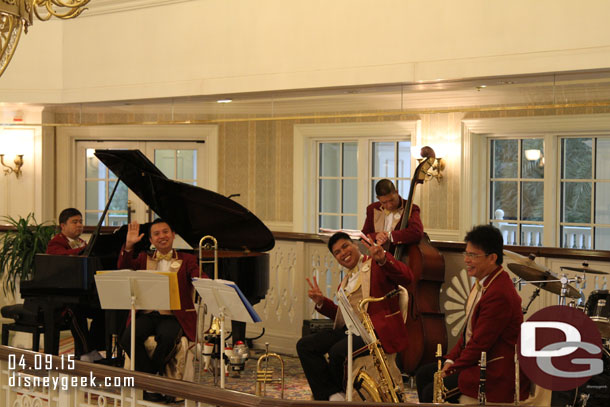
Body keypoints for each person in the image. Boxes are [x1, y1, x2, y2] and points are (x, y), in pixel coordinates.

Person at [416, 225, 530, 403]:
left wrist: (452, 369)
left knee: (432, 390)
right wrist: (450, 360)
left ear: (492, 258)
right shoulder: (484, 283)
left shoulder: (499, 294)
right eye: (466, 254)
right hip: (481, 360)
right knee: (423, 374)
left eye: (473, 255)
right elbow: (467, 334)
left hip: (495, 370)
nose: (466, 260)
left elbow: (480, 343)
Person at [296, 231, 413, 401]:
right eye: (337, 252)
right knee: (306, 345)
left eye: (345, 246)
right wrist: (322, 302)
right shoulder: (344, 283)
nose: (343, 253)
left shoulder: (376, 265)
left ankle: (336, 398)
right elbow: (342, 316)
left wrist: (383, 258)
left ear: (355, 245)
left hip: (375, 332)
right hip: (351, 330)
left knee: (337, 352)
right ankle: (332, 396)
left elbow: (407, 277)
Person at [118, 218, 206, 376]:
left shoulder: (187, 259)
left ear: (173, 235)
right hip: (147, 313)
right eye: (156, 234)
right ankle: (153, 379)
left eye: (165, 232)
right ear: (151, 240)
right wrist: (129, 245)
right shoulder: (144, 258)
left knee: (167, 338)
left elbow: (198, 276)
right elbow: (124, 267)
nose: (162, 236)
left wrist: (207, 282)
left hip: (173, 315)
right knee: (127, 338)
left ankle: (149, 380)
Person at [45, 208, 105, 362]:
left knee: (103, 310)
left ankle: (94, 350)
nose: (79, 225)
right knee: (74, 309)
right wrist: (86, 250)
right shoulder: (55, 243)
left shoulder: (81, 243)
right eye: (74, 222)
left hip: (79, 294)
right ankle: (87, 353)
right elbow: (61, 257)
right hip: (59, 298)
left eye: (81, 222)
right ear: (62, 226)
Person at [361, 179, 423, 252]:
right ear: (378, 198)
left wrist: (390, 236)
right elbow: (364, 234)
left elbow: (416, 232)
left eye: (392, 200)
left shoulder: (411, 208)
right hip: (377, 255)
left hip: (401, 257)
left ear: (396, 192)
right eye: (384, 202)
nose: (389, 205)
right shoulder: (372, 208)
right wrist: (376, 236)